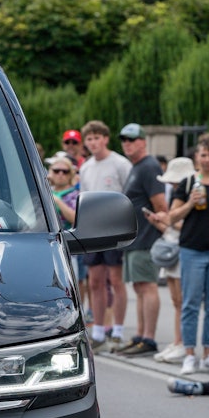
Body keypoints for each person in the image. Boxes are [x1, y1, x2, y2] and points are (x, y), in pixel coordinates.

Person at [161, 133, 209, 374]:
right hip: (192, 250)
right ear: (196, 156)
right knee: (190, 304)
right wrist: (189, 204)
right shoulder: (187, 183)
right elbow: (171, 217)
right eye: (203, 154)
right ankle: (189, 355)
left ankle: (208, 354)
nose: (207, 159)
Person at [78, 120, 132, 352]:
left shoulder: (120, 163)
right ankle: (98, 330)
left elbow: (129, 195)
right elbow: (84, 198)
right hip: (93, 228)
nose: (93, 143)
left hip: (115, 228)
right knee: (95, 281)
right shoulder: (86, 167)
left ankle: (117, 330)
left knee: (116, 280)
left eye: (97, 138)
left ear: (105, 139)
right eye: (89, 139)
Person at [118, 123, 168, 357]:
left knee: (147, 287)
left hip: (146, 239)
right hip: (134, 239)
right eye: (124, 140)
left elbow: (160, 206)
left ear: (143, 141)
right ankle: (140, 335)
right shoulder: (136, 166)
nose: (127, 143)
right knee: (139, 288)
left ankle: (149, 338)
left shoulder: (149, 166)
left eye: (131, 139)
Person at [152, 156, 196, 363]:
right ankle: (177, 341)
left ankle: (183, 342)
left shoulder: (192, 195)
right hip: (173, 246)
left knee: (182, 300)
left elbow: (187, 226)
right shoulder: (179, 194)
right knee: (176, 300)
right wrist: (160, 222)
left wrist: (166, 220)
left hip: (182, 248)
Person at [47, 154, 90, 310]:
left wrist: (57, 201)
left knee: (73, 283)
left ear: (70, 175)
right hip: (45, 243)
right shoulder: (44, 191)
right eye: (56, 170)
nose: (60, 174)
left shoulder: (75, 195)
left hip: (69, 245)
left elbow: (74, 217)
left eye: (64, 171)